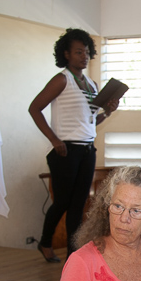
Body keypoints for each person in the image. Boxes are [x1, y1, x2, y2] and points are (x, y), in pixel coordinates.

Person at [29, 28, 119, 263]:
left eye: (87, 52)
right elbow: (34, 108)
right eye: (79, 52)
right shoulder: (62, 80)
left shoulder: (91, 84)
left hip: (87, 150)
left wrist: (108, 112)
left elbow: (90, 121)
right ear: (66, 54)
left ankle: (73, 255)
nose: (84, 56)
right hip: (65, 150)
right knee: (62, 203)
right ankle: (45, 242)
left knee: (79, 205)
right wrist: (54, 140)